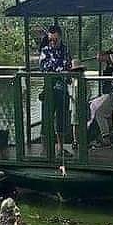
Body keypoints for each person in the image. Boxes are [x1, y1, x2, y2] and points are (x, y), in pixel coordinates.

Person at [39, 25, 72, 155]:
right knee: (46, 119)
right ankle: (46, 150)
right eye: (50, 40)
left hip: (62, 89)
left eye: (55, 40)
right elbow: (45, 68)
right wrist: (60, 69)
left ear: (60, 37)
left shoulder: (65, 50)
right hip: (49, 89)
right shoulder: (45, 50)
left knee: (62, 119)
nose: (52, 42)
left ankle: (60, 148)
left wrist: (62, 69)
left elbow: (68, 65)